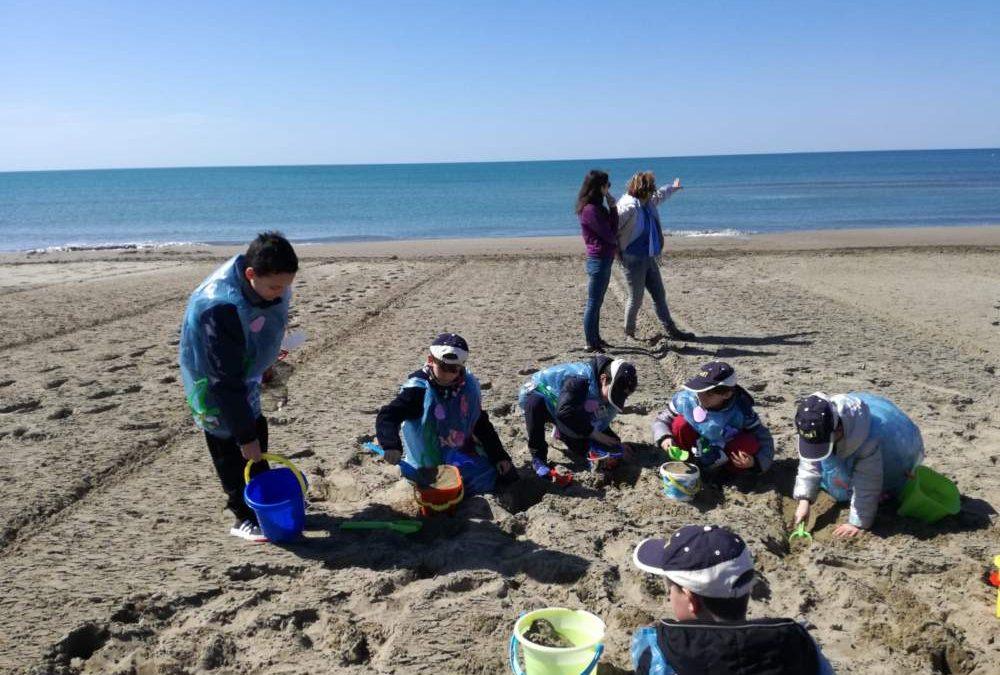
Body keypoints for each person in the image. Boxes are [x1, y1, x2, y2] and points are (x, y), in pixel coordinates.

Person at [179, 231, 298, 542]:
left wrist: (265, 366)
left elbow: (265, 326)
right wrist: (245, 437)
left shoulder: (268, 287)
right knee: (231, 449)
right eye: (274, 286)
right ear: (250, 274)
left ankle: (264, 502)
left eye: (286, 286)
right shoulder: (218, 306)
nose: (280, 293)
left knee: (257, 442)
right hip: (215, 387)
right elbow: (223, 379)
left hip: (244, 375)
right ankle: (242, 516)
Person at [631, 524, 836, 674]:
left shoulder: (661, 650)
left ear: (690, 599)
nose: (669, 595)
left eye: (671, 589)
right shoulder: (796, 643)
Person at [375, 333, 517, 494]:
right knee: (442, 488)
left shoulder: (467, 386)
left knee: (506, 475)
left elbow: (480, 423)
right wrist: (391, 445)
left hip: (460, 449)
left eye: (454, 369)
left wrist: (500, 456)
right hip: (427, 458)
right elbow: (388, 415)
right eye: (443, 367)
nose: (448, 374)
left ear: (462, 366)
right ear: (430, 360)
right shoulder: (418, 390)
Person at [793, 391, 925, 538]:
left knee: (875, 483)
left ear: (838, 430)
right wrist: (804, 500)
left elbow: (867, 483)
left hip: (890, 453)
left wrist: (857, 522)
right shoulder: (813, 427)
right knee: (827, 462)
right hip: (842, 441)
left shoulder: (868, 441)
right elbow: (809, 463)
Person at [517, 356, 637, 479]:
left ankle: (562, 432)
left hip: (570, 409)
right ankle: (538, 459)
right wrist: (594, 434)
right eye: (613, 394)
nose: (613, 399)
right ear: (603, 379)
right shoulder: (579, 380)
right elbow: (565, 412)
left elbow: (599, 423)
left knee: (589, 442)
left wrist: (616, 444)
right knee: (535, 403)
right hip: (544, 397)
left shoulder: (606, 390)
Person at [651, 361, 774, 474]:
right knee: (680, 423)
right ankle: (688, 464)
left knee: (748, 444)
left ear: (726, 394)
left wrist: (755, 462)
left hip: (724, 450)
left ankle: (725, 474)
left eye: (708, 394)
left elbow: (764, 439)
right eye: (699, 389)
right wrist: (665, 438)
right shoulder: (686, 399)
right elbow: (661, 421)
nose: (700, 396)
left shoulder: (741, 409)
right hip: (692, 445)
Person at [615, 171, 694, 342]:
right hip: (632, 259)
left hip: (649, 256)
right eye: (650, 190)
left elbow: (661, 195)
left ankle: (670, 329)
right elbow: (612, 228)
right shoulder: (627, 207)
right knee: (635, 297)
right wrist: (616, 252)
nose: (653, 193)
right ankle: (629, 333)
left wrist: (673, 188)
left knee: (659, 294)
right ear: (642, 190)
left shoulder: (648, 203)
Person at [576, 169, 619, 352]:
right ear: (598, 187)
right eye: (606, 185)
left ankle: (596, 339)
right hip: (598, 258)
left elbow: (611, 229)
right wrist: (615, 238)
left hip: (604, 257)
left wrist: (613, 208)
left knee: (598, 301)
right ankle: (590, 342)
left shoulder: (597, 207)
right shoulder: (590, 210)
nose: (608, 188)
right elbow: (609, 234)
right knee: (593, 301)